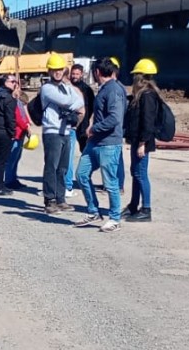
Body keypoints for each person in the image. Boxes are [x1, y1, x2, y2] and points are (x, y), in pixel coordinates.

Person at [72, 58, 127, 231]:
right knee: (81, 174)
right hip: (95, 142)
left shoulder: (114, 90)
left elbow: (114, 118)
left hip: (109, 143)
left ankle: (115, 218)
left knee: (110, 182)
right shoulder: (104, 89)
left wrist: (94, 128)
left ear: (97, 72)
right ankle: (93, 211)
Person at [38, 52, 84, 214]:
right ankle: (49, 200)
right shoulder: (47, 88)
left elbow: (80, 101)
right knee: (52, 166)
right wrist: (72, 102)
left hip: (65, 131)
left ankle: (60, 198)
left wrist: (71, 100)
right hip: (52, 131)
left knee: (63, 167)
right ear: (49, 71)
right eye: (54, 70)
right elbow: (66, 101)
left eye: (60, 69)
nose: (57, 72)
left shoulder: (66, 87)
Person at [124, 58, 161, 222]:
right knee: (135, 172)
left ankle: (146, 209)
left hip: (142, 142)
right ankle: (133, 205)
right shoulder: (141, 95)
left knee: (141, 174)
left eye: (136, 76)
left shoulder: (147, 96)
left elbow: (147, 122)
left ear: (140, 77)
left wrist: (142, 144)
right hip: (137, 140)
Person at [66, 63, 95, 197]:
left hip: (84, 126)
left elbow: (93, 109)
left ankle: (85, 177)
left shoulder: (87, 90)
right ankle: (68, 181)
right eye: (73, 74)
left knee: (86, 153)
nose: (75, 76)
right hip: (71, 125)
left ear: (82, 74)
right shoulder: (67, 88)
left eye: (77, 74)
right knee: (68, 155)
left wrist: (90, 124)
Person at [4, 78, 30, 190]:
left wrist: (27, 123)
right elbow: (18, 118)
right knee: (11, 158)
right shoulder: (13, 102)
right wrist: (26, 126)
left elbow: (24, 115)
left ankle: (13, 178)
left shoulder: (19, 102)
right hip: (16, 134)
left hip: (21, 134)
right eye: (16, 87)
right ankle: (9, 180)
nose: (18, 89)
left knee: (16, 158)